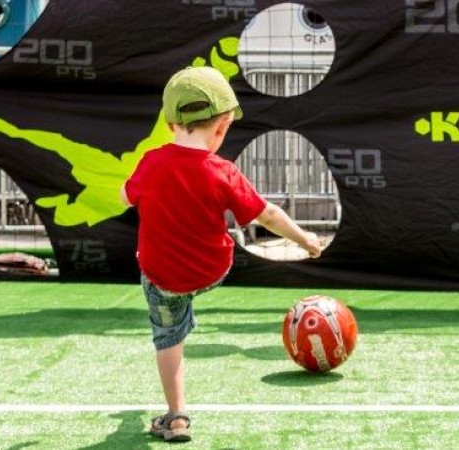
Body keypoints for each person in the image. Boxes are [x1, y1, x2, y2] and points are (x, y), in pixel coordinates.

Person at [120, 66, 322, 442]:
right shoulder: (223, 172)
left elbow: (125, 197)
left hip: (164, 279)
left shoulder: (151, 164)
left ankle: (176, 416)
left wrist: (135, 188)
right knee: (187, 285)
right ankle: (185, 306)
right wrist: (305, 239)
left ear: (169, 124)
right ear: (223, 127)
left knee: (168, 338)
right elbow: (269, 215)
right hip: (211, 271)